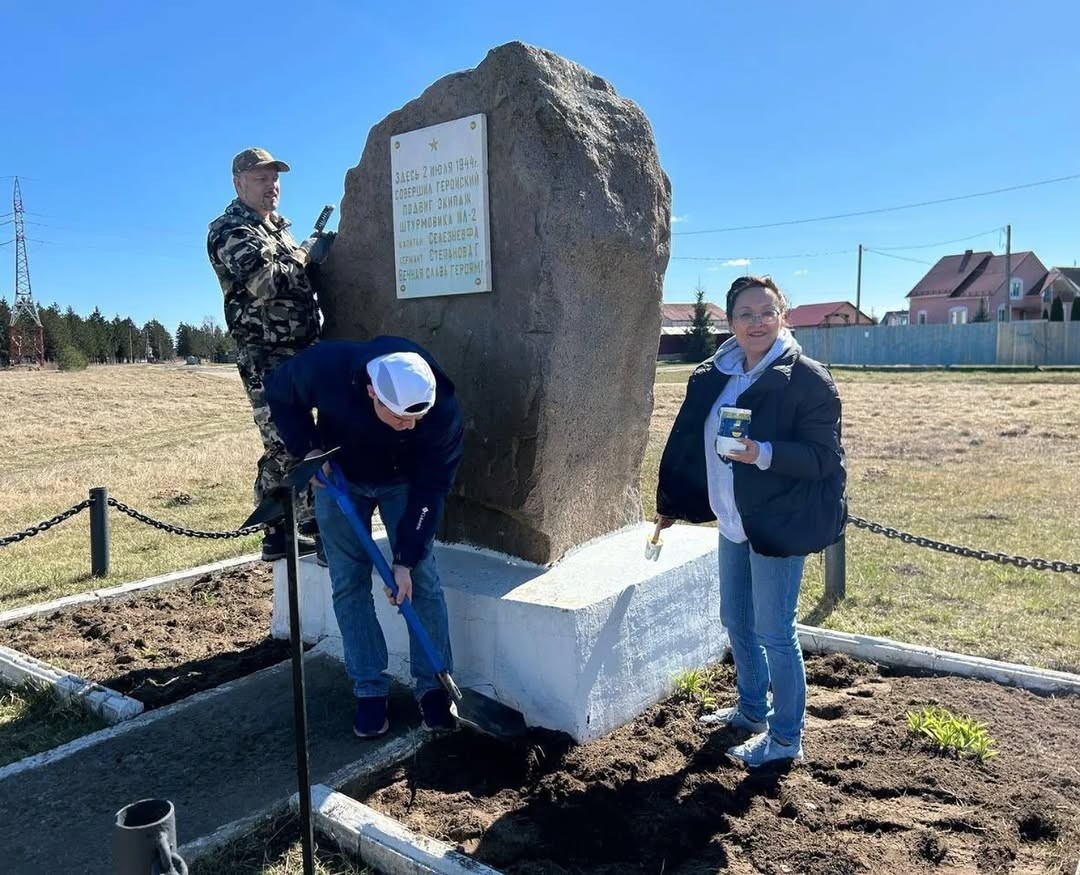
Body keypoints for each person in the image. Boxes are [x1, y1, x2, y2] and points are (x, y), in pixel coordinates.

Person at [656, 275, 847, 768]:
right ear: (730, 321)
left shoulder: (805, 378)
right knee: (736, 620)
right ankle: (750, 710)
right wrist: (673, 500)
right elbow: (687, 442)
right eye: (746, 314)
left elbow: (824, 459)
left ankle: (785, 739)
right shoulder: (716, 373)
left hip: (777, 523)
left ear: (782, 316)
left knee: (775, 631)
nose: (757, 322)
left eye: (767, 312)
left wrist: (761, 453)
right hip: (731, 520)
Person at [264, 336, 464, 737]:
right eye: (400, 418)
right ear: (372, 392)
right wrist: (308, 449)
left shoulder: (441, 411)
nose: (410, 426)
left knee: (421, 581)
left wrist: (405, 558)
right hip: (341, 479)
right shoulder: (328, 367)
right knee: (348, 582)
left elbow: (433, 487)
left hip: (404, 482)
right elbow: (279, 392)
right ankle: (370, 689)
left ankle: (434, 690)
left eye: (416, 418)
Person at [207, 147, 336, 562]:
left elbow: (297, 280)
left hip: (304, 349)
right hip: (266, 356)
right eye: (261, 178)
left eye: (275, 178)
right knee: (287, 442)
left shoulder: (278, 229)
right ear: (239, 183)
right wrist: (306, 255)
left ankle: (286, 529)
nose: (272, 185)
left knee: (308, 438)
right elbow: (267, 282)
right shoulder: (230, 229)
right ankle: (288, 526)